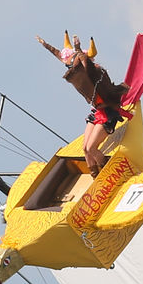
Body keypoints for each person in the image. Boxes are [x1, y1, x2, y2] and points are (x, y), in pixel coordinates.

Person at [36, 31, 129, 177]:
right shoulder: (83, 77)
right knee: (85, 149)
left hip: (108, 113)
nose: (71, 70)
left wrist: (78, 49)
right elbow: (59, 54)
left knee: (91, 148)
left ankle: (108, 174)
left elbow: (88, 66)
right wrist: (46, 45)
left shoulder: (96, 72)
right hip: (97, 113)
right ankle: (95, 175)